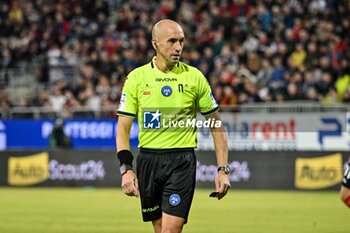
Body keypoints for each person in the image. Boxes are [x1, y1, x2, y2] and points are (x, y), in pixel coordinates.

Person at [116, 19, 231, 233]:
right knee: (160, 230)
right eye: (171, 41)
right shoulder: (136, 78)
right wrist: (126, 169)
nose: (178, 47)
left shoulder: (194, 78)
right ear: (155, 43)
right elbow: (123, 128)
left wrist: (223, 169)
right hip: (148, 161)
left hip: (181, 162)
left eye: (181, 41)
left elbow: (216, 125)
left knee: (170, 231)